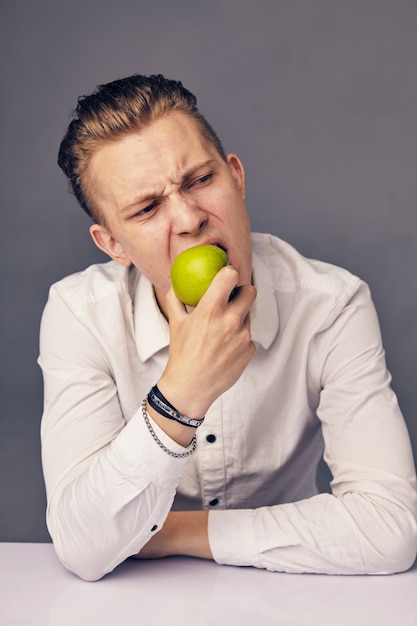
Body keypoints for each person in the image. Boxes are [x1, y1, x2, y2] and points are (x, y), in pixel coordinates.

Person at [39, 73, 417, 582]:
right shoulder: (79, 312)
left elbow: (391, 530)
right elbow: (84, 548)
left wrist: (168, 533)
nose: (189, 219)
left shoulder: (331, 305)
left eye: (199, 180)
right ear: (114, 246)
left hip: (292, 594)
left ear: (235, 178)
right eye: (148, 208)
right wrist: (181, 394)